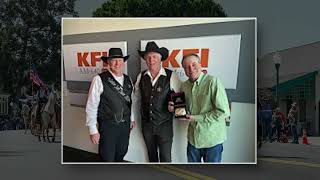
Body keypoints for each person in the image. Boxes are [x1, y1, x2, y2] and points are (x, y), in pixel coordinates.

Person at [175, 54, 230, 163]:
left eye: (194, 64)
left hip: (212, 140)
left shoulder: (213, 82)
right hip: (193, 139)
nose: (191, 69)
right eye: (186, 67)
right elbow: (183, 109)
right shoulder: (184, 86)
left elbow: (224, 112)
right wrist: (175, 108)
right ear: (184, 70)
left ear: (200, 65)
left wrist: (196, 118)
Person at [133, 41, 181, 162]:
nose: (151, 60)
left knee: (165, 157)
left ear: (161, 59)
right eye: (148, 57)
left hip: (164, 126)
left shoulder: (171, 76)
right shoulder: (141, 76)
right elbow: (135, 99)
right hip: (147, 125)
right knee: (151, 156)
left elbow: (180, 99)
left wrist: (176, 108)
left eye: (154, 57)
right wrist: (132, 118)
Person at [85, 48, 135, 162]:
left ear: (123, 62)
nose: (117, 63)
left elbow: (131, 101)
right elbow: (91, 106)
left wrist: (132, 118)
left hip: (125, 126)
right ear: (108, 62)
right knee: (107, 157)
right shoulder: (99, 79)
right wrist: (93, 130)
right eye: (113, 60)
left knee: (121, 153)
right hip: (108, 126)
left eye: (119, 60)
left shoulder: (128, 79)